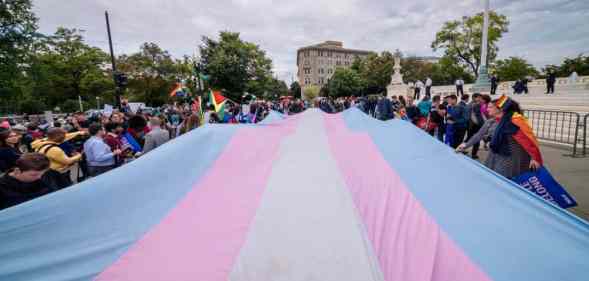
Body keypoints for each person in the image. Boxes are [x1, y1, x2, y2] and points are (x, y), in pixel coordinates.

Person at [469, 96, 542, 179]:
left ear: (500, 109)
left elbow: (528, 141)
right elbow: (479, 135)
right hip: (496, 155)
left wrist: (534, 158)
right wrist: (465, 145)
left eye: (490, 107)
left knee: (509, 180)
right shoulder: (491, 121)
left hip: (513, 158)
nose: (487, 109)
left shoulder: (515, 121)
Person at [465, 93, 485, 159]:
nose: (480, 99)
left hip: (470, 126)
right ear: (474, 98)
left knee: (468, 138)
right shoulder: (476, 105)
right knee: (477, 140)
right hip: (476, 125)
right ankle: (474, 154)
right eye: (479, 97)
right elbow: (478, 117)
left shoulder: (469, 105)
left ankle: (461, 148)